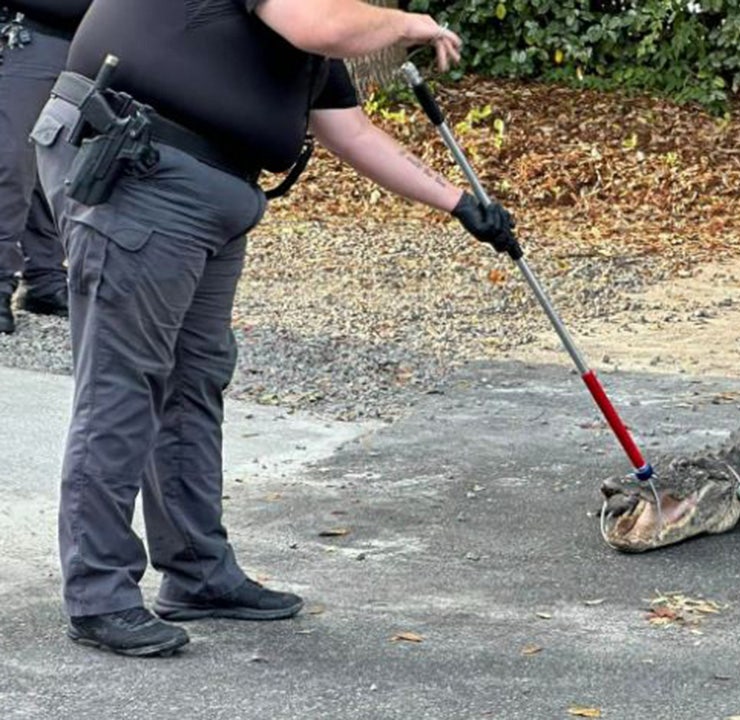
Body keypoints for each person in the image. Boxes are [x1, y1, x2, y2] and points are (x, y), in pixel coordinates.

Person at [32, 0, 517, 657]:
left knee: (193, 380)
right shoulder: (313, 16)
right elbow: (321, 25)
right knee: (123, 383)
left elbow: (350, 131)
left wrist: (461, 204)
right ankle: (99, 595)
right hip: (137, 162)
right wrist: (411, 25)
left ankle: (197, 572)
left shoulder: (308, 36)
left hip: (204, 188)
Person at [0, 1, 83, 334]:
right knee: (10, 163)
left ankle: (45, 278)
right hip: (25, 36)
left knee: (56, 163)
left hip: (79, 44)